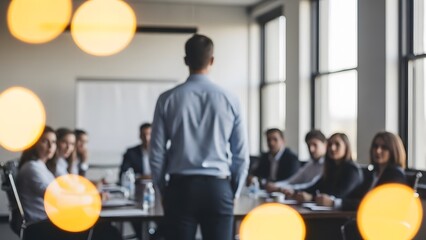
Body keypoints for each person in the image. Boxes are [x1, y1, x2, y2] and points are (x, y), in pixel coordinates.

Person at [150, 34, 249, 240]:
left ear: (186, 60)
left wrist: (162, 189)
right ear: (212, 60)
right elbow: (241, 154)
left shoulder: (167, 99)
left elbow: (156, 151)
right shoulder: (230, 99)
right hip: (218, 187)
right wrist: (234, 191)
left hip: (180, 189)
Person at [17, 126, 123, 240]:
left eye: (53, 142)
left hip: (51, 220)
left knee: (105, 227)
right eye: (44, 141)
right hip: (42, 224)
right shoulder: (32, 168)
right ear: (34, 144)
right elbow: (56, 196)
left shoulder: (41, 166)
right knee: (105, 229)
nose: (51, 146)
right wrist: (92, 198)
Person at [316, 131, 407, 210]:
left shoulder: (395, 175)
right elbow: (356, 198)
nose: (378, 151)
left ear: (394, 151)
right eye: (375, 146)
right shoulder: (372, 173)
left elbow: (376, 204)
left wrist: (334, 203)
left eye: (384, 147)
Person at [293, 133, 363, 203]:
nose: (332, 148)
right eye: (329, 145)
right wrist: (294, 192)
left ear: (346, 147)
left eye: (337, 144)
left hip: (344, 212)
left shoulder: (352, 170)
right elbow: (314, 187)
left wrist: (311, 198)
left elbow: (339, 195)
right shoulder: (331, 169)